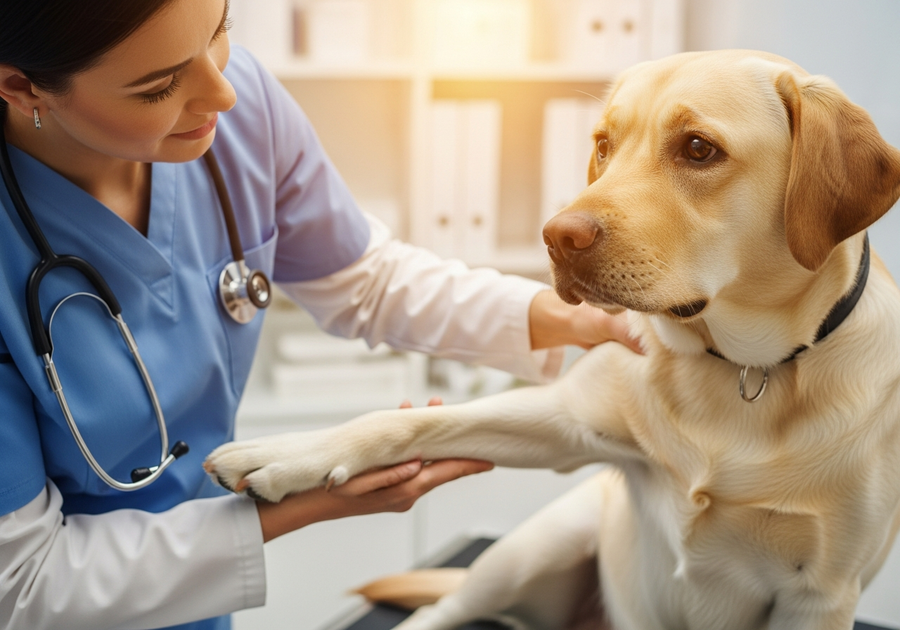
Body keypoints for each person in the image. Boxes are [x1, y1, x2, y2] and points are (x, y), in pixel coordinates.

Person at [0, 1, 641, 629]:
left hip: (197, 602)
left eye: (220, 29)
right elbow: (23, 587)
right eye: (160, 85)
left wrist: (568, 317)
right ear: (21, 86)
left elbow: (364, 279)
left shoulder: (238, 108)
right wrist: (301, 501)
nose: (221, 92)